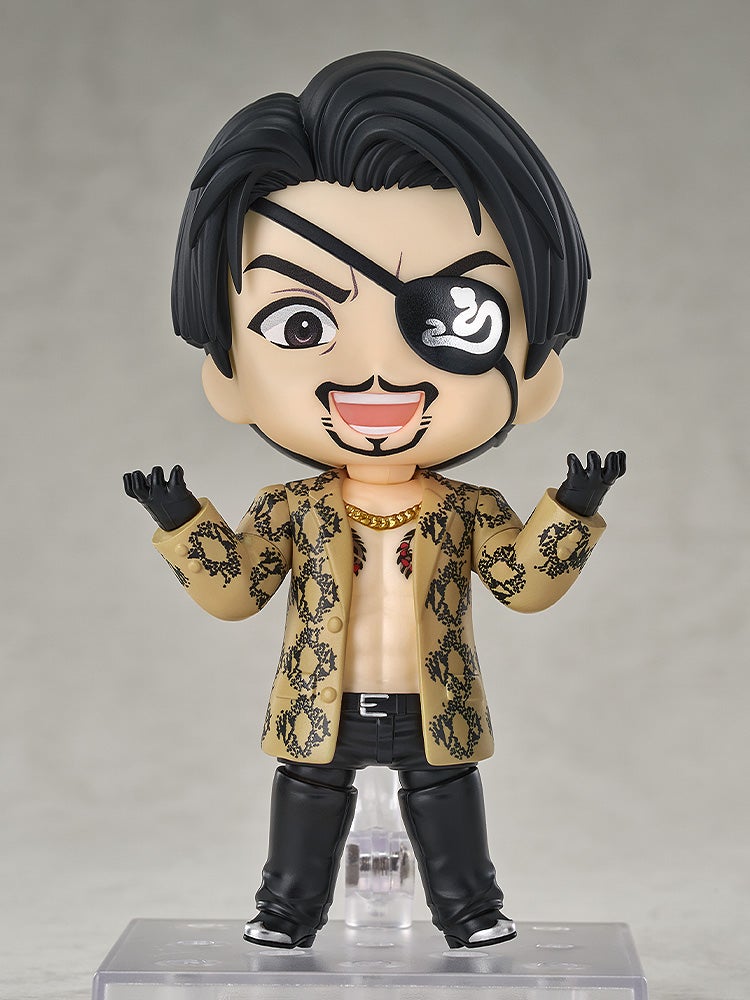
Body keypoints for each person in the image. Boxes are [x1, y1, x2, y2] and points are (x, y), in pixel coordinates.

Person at [124, 51, 625, 951]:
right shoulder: (291, 509)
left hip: (437, 698)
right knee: (307, 800)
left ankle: (471, 912)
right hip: (323, 697)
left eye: (452, 319)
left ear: (538, 369)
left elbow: (521, 584)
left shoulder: (467, 510)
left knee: (448, 801)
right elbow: (237, 592)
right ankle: (286, 913)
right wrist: (183, 522)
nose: (378, 376)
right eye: (303, 325)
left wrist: (572, 510)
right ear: (226, 374)